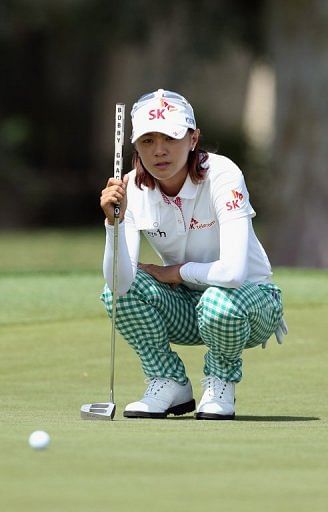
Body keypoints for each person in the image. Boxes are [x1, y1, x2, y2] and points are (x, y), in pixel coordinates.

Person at [100, 88, 287, 420]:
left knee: (217, 301)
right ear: (136, 147)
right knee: (114, 295)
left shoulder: (223, 174)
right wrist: (113, 226)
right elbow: (120, 284)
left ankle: (220, 380)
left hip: (252, 304)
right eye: (147, 141)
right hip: (187, 308)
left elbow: (232, 274)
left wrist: (175, 272)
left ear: (193, 138)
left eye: (170, 138)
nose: (159, 151)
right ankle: (168, 381)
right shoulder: (130, 189)